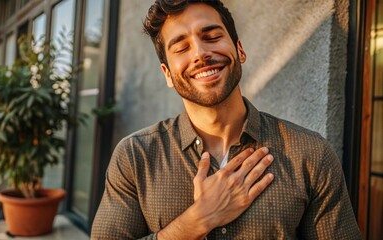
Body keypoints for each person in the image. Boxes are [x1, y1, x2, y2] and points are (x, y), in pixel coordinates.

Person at [91, 0, 361, 239]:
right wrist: (197, 220)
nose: (199, 54)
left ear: (239, 50)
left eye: (211, 36)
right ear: (167, 74)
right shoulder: (134, 157)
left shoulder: (311, 154)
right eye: (181, 47)